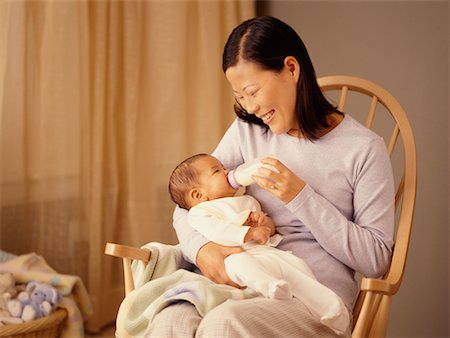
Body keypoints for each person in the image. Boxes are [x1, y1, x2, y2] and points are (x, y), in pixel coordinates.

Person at [149, 16, 395, 337]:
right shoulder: (248, 131)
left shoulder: (363, 149)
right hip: (245, 277)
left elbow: (376, 259)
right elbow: (189, 202)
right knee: (171, 319)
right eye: (240, 96)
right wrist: (202, 250)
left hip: (310, 292)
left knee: (224, 324)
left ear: (291, 69)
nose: (249, 107)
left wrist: (300, 197)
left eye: (252, 91)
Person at [167, 153, 350, 334]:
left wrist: (264, 224)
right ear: (199, 195)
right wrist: (249, 232)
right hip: (236, 254)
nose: (227, 171)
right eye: (217, 171)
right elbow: (219, 231)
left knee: (296, 266)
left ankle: (330, 307)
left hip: (265, 254)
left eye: (224, 168)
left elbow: (269, 226)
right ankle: (270, 286)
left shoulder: (247, 200)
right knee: (237, 263)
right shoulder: (200, 212)